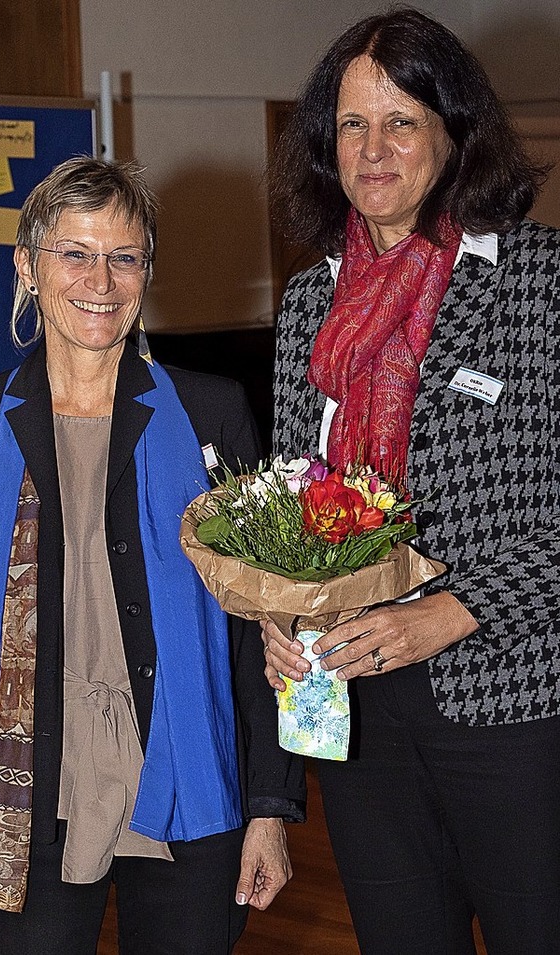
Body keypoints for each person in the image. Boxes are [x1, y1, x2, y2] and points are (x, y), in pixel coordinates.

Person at [0, 156, 306, 955]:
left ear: (147, 271)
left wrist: (270, 804)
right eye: (75, 253)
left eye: (124, 256)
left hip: (191, 798)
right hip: (22, 806)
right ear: (28, 266)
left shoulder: (211, 413)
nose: (101, 280)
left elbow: (258, 634)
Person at [262, 9, 560, 955]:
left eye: (402, 120)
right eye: (353, 124)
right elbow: (289, 502)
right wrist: (280, 609)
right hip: (354, 710)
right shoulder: (311, 300)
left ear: (453, 134)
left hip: (509, 705)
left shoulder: (537, 283)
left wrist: (453, 609)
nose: (374, 147)